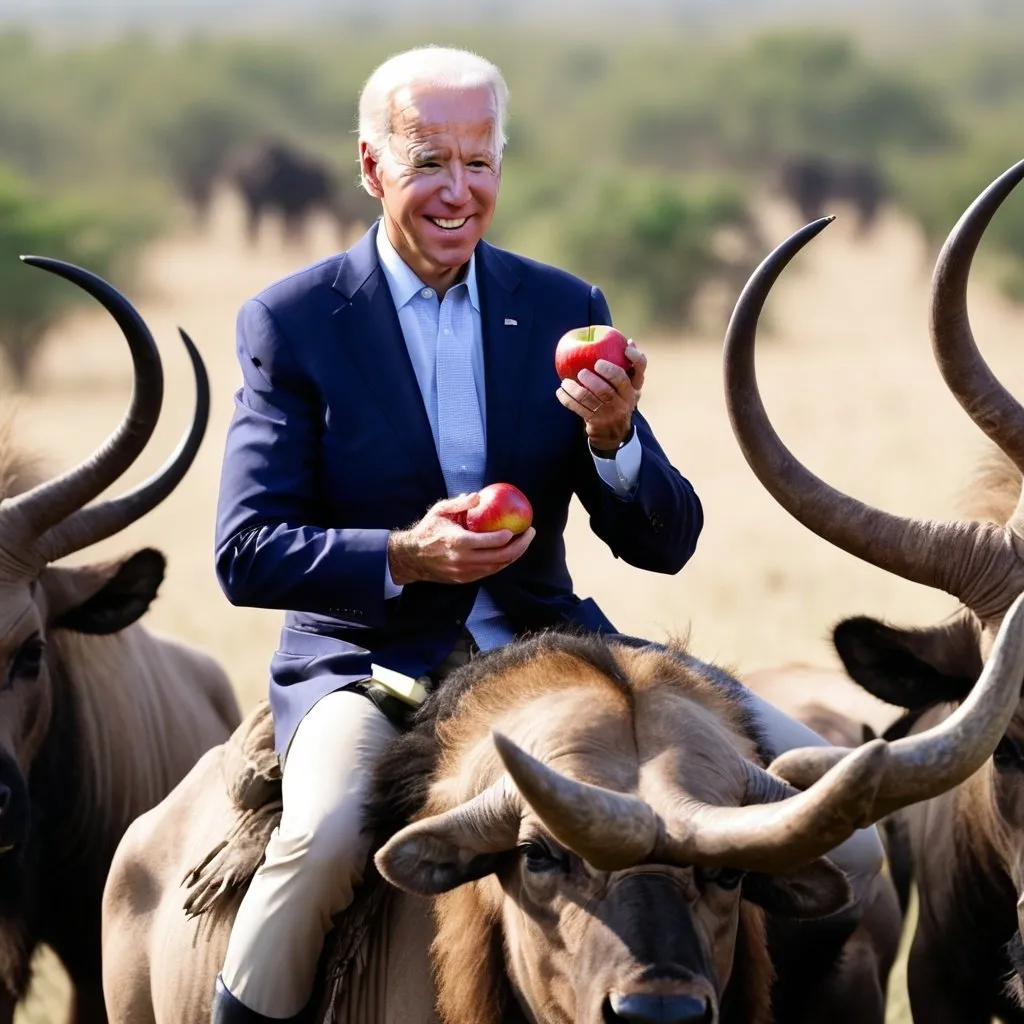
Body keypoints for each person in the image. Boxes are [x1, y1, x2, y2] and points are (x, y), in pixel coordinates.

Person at [210, 45, 879, 1023]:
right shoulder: (295, 319)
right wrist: (403, 554)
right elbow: (245, 549)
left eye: (477, 162)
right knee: (319, 842)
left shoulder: (565, 307)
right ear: (369, 166)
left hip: (561, 651)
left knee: (853, 845)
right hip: (372, 665)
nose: (456, 189)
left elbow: (665, 540)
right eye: (426, 160)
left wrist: (612, 441)